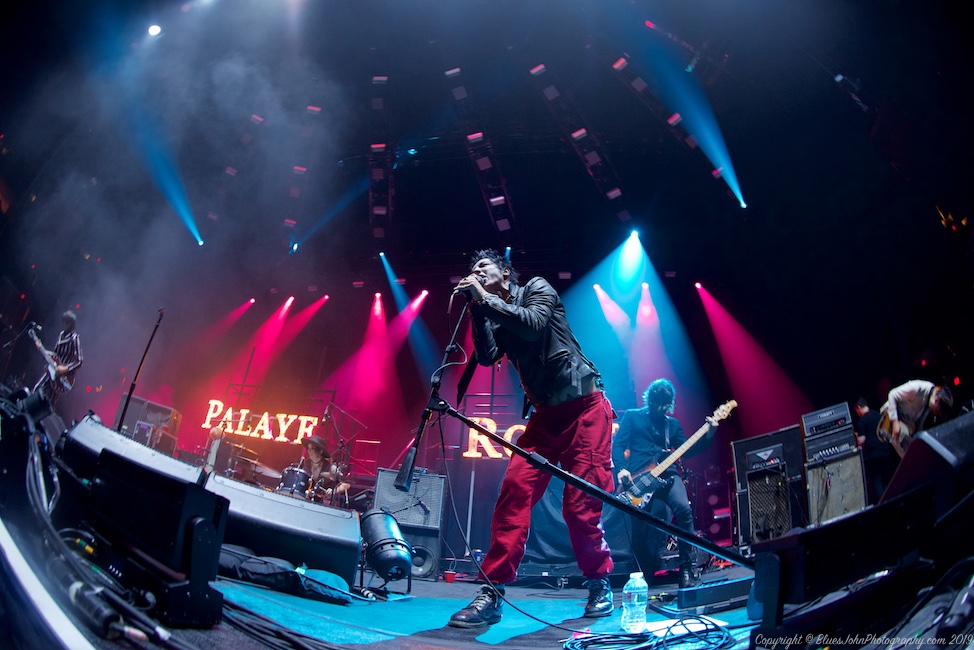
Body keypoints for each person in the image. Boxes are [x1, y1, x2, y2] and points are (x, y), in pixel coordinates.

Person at [448, 249, 615, 629]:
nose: (474, 273)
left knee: (580, 506)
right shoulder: (492, 310)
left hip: (585, 409)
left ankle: (599, 583)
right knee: (513, 493)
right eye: (471, 270)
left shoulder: (536, 290)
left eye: (481, 268)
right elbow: (489, 355)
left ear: (505, 273)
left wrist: (482, 299)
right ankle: (492, 591)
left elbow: (533, 325)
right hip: (543, 418)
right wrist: (477, 309)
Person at [612, 378, 714, 590]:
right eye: (656, 405)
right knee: (639, 527)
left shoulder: (672, 425)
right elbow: (618, 444)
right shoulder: (632, 416)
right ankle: (642, 574)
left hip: (667, 475)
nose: (660, 410)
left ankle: (686, 570)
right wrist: (622, 468)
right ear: (649, 399)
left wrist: (709, 433)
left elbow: (688, 450)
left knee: (684, 511)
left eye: (664, 407)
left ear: (670, 404)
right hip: (639, 478)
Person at [878, 380, 953, 458]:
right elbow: (892, 394)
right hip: (888, 418)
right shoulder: (917, 387)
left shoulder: (928, 405)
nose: (934, 413)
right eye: (936, 411)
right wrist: (894, 421)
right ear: (936, 400)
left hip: (903, 427)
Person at [31, 310, 82, 411]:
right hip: (52, 372)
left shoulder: (75, 339)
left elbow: (79, 361)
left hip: (62, 378)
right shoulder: (61, 335)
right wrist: (42, 349)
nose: (62, 325)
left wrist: (64, 369)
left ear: (69, 324)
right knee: (36, 391)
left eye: (64, 322)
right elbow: (56, 356)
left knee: (49, 402)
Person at [854, 397, 897, 505]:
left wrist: (856, 437)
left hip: (873, 455)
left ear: (858, 408)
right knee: (887, 480)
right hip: (885, 451)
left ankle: (883, 505)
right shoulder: (878, 415)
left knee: (877, 481)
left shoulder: (862, 421)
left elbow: (861, 440)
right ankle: (893, 502)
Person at [298, 435, 349, 504]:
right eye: (308, 448)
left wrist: (334, 491)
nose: (309, 451)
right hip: (303, 499)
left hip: (320, 502)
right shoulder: (305, 464)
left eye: (312, 448)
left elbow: (346, 484)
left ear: (320, 451)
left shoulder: (330, 468)